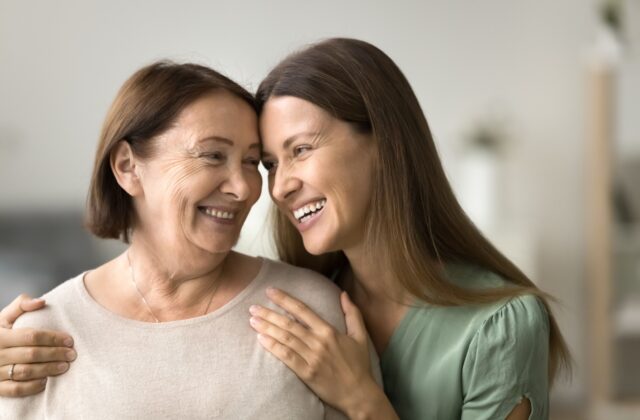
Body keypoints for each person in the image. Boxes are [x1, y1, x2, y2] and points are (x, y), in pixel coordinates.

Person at [1, 38, 568, 419]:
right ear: (127, 167)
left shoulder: (495, 325)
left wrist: (364, 402)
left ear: (385, 145)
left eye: (297, 151)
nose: (267, 188)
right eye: (271, 162)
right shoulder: (311, 296)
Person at [0, 60, 354, 419]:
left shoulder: (311, 311)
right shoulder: (41, 337)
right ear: (127, 167)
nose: (244, 187)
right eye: (213, 155)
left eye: (251, 162)